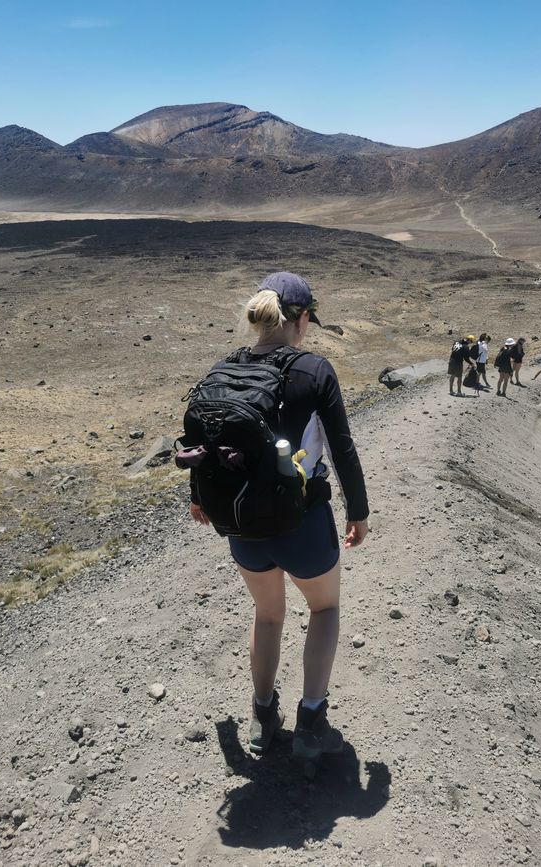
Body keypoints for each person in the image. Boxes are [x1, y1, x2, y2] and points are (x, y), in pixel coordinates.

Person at [189, 272, 369, 761]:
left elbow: (203, 444)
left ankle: (262, 715)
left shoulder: (223, 369)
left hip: (243, 526)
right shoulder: (314, 371)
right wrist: (359, 511)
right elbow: (342, 448)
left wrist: (198, 499)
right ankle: (311, 720)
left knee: (267, 615)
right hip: (303, 523)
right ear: (302, 319)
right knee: (324, 609)